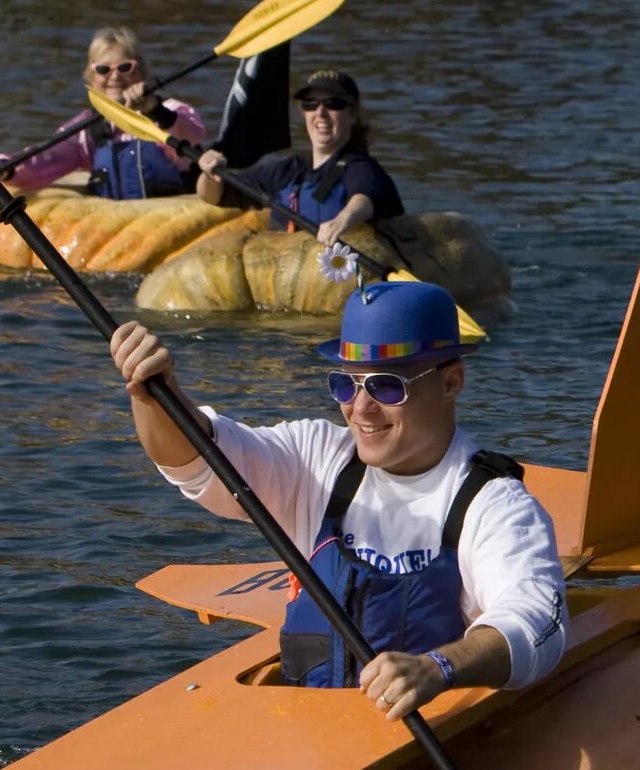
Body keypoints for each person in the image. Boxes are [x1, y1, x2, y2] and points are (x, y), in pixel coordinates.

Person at [104, 280, 565, 706]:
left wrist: (437, 668)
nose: (360, 409)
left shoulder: (496, 506)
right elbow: (193, 461)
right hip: (307, 731)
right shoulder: (317, 457)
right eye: (346, 383)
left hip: (419, 734)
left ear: (451, 382)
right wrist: (152, 395)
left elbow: (535, 625)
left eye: (387, 387)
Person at [197, 68, 402, 245]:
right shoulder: (288, 171)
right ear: (303, 113)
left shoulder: (361, 167)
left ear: (353, 115)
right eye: (311, 103)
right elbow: (214, 195)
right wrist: (209, 173)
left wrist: (344, 219)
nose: (320, 112)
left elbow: (365, 196)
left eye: (333, 103)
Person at [1, 27, 208, 196]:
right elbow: (49, 158)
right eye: (103, 70)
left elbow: (194, 136)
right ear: (91, 77)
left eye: (125, 67)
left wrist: (155, 111)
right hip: (119, 226)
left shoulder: (170, 110)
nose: (115, 77)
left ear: (142, 72)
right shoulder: (86, 128)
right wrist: (9, 168)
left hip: (169, 217)